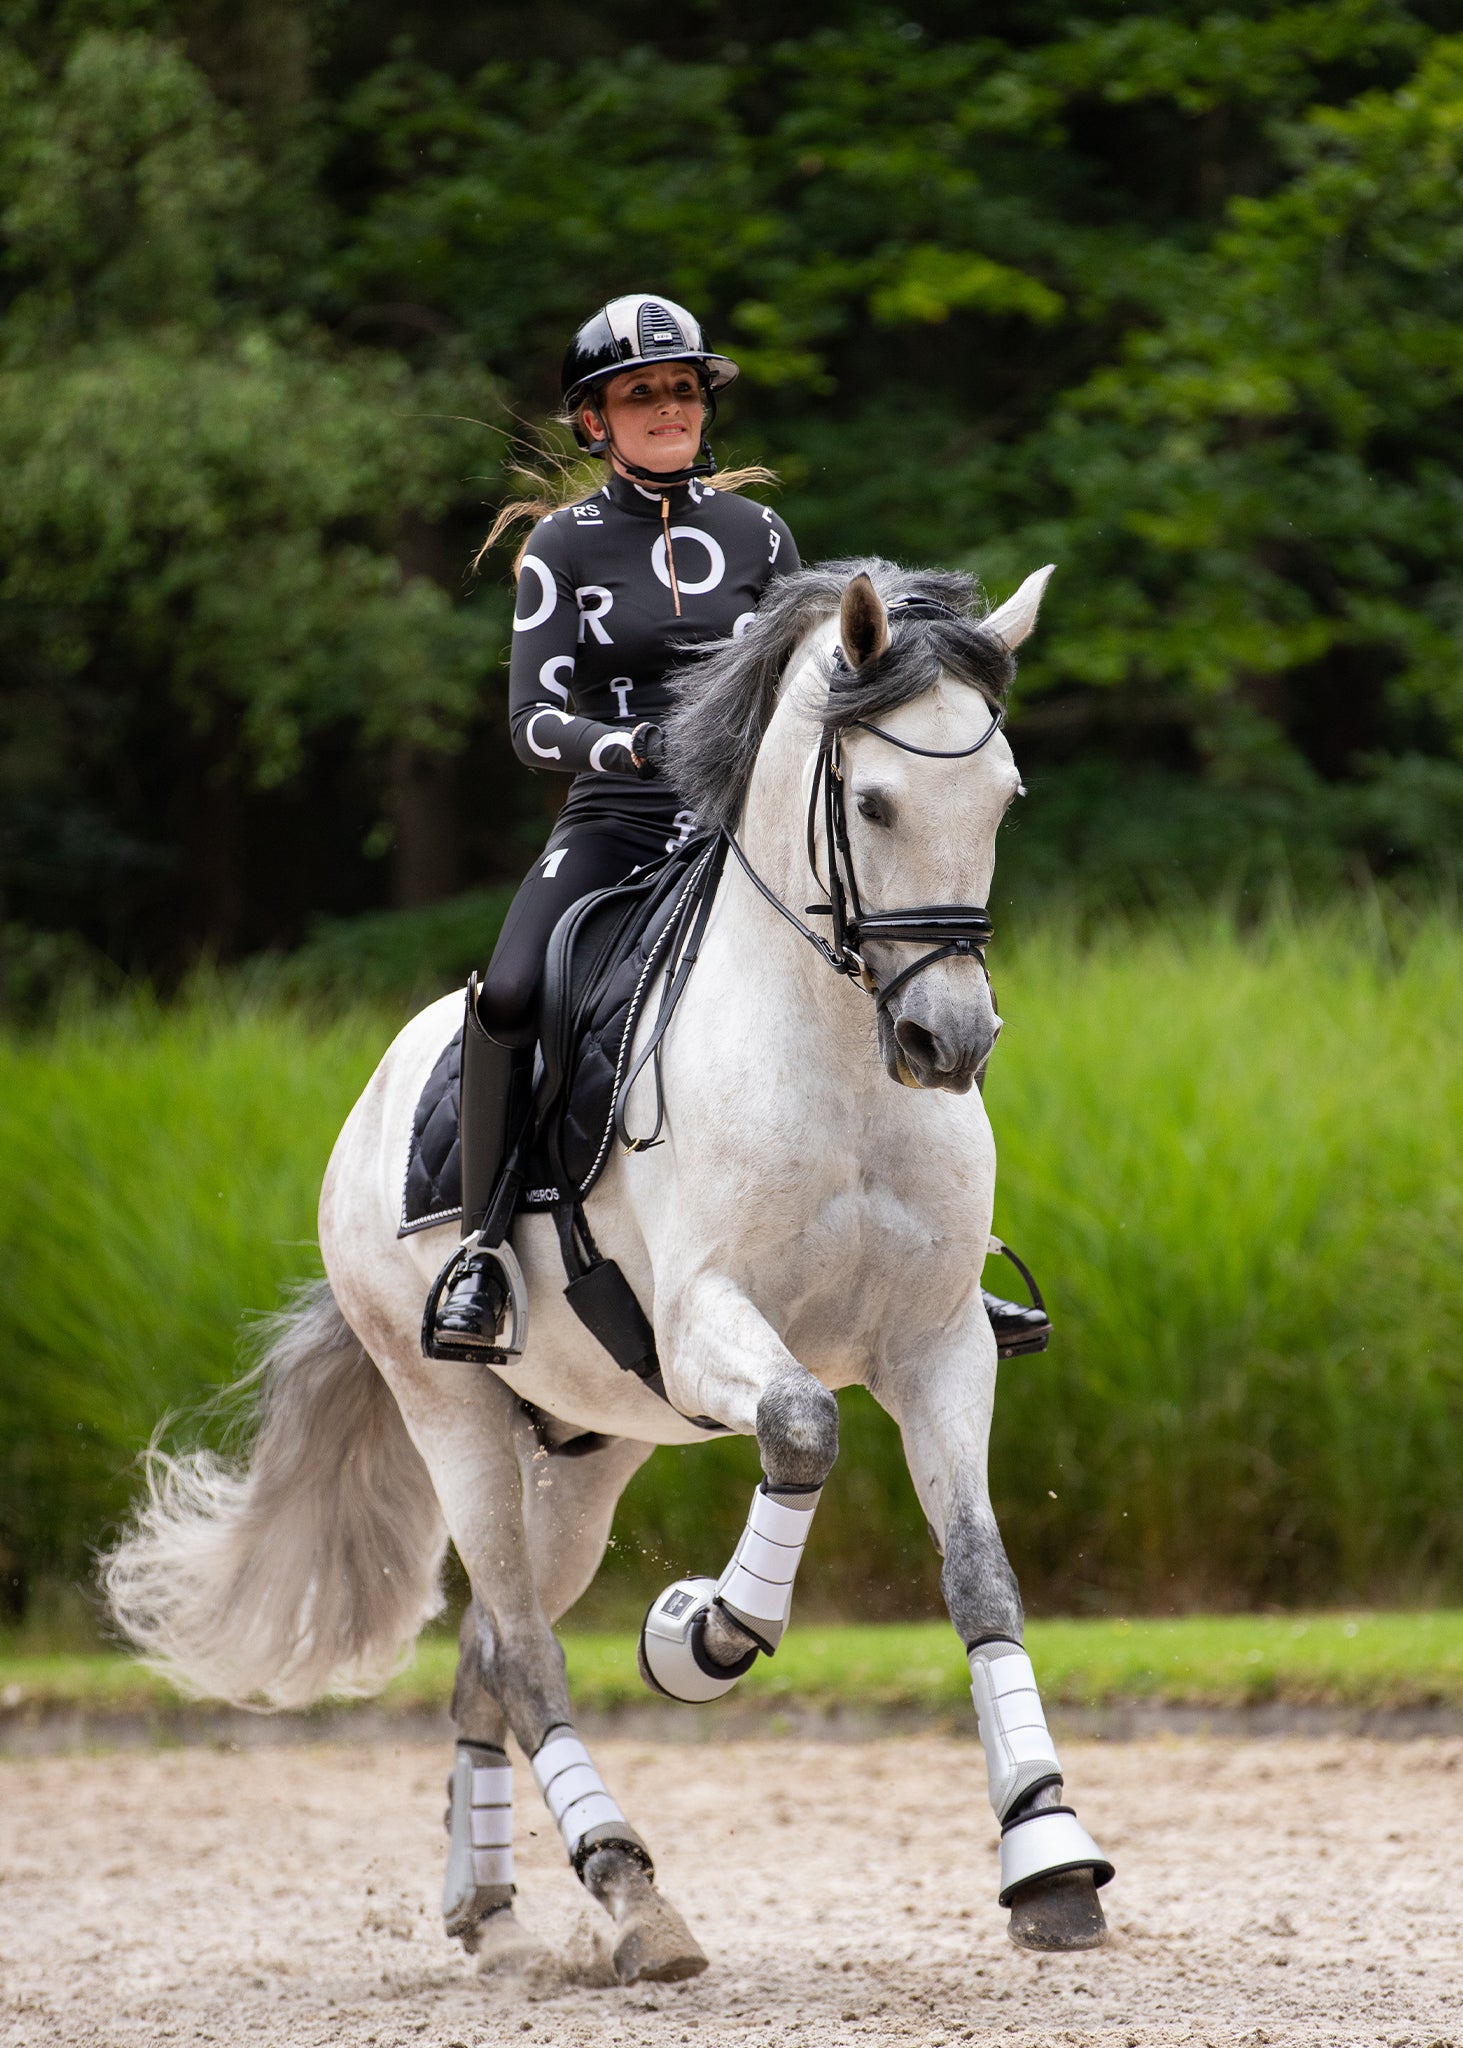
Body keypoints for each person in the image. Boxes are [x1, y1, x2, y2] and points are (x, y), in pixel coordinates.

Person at [425, 292, 1050, 1365]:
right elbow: (533, 721)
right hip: (617, 817)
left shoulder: (757, 531)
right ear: (594, 421)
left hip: (748, 823)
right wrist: (632, 749)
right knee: (518, 983)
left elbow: (819, 687)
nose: (668, 407)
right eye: (639, 394)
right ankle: (480, 1250)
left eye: (681, 388)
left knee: (913, 953)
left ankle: (956, 1253)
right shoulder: (561, 548)